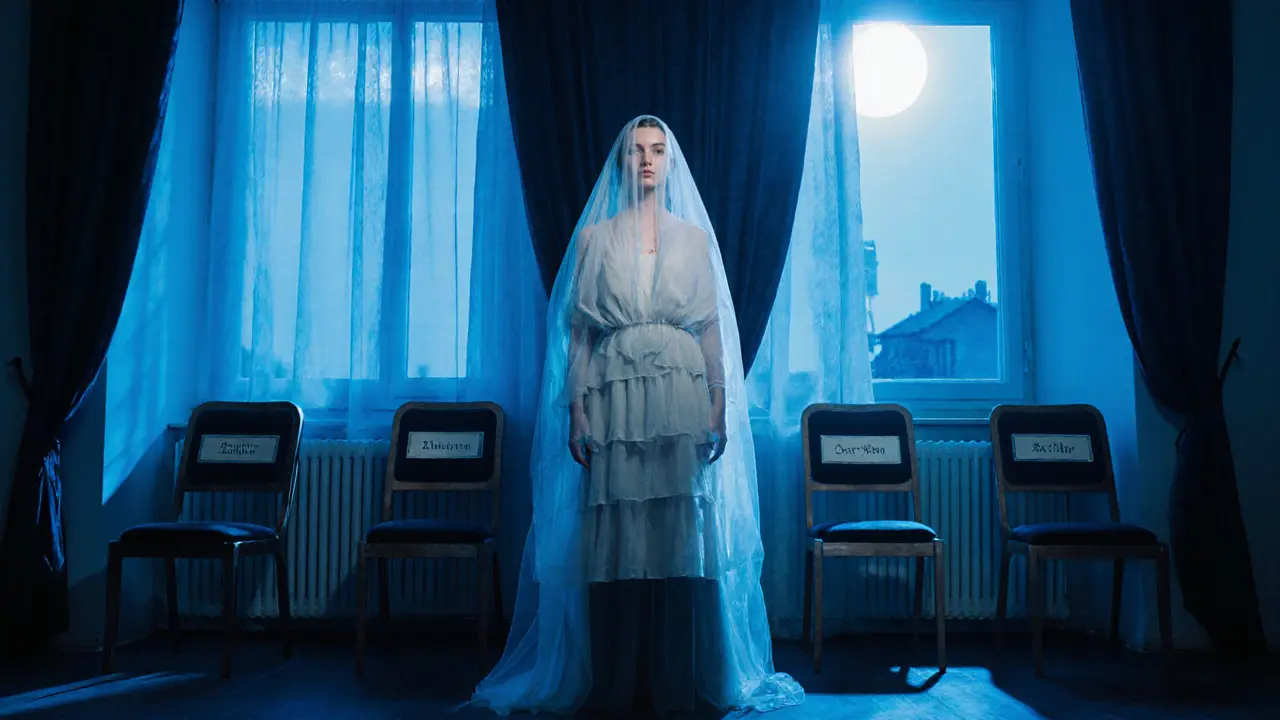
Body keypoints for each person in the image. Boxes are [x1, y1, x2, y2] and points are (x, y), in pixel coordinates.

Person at [469, 116, 802, 715]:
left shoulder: (695, 241)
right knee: (615, 535)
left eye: (656, 150)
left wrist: (720, 405)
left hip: (678, 396)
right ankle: (616, 679)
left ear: (669, 161)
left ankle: (677, 677)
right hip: (615, 395)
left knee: (677, 534)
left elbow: (709, 331)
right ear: (622, 162)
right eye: (636, 151)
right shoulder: (596, 239)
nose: (646, 160)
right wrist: (575, 410)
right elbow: (581, 337)